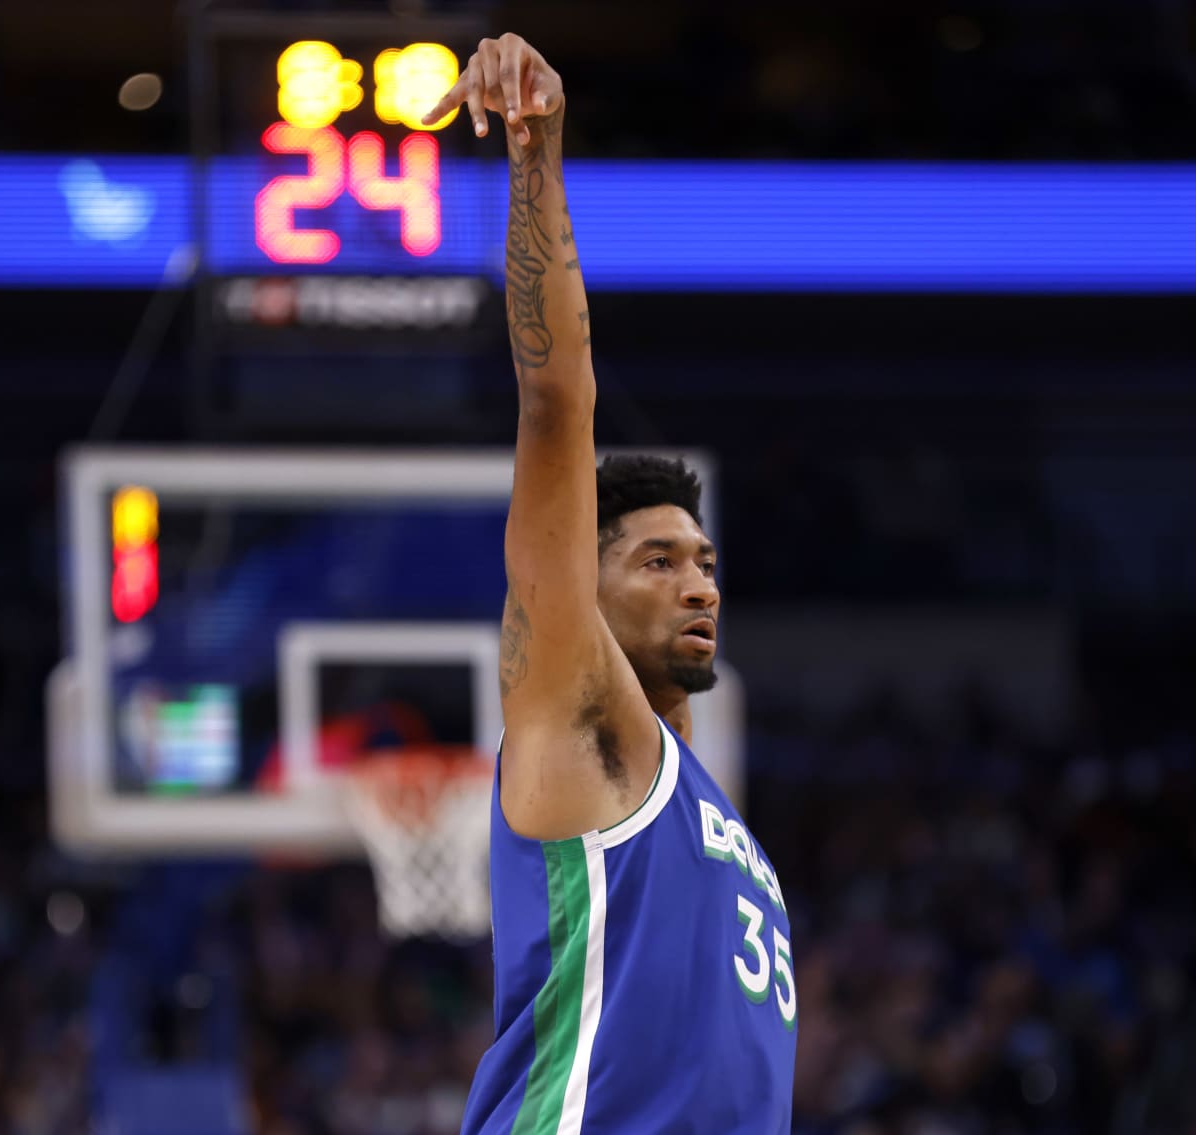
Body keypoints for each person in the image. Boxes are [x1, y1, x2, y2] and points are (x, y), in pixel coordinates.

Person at [423, 34, 796, 1134]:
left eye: (706, 564)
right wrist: (535, 157)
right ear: (579, 587)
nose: (699, 586)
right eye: (658, 561)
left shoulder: (701, 803)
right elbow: (556, 402)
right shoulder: (580, 717)